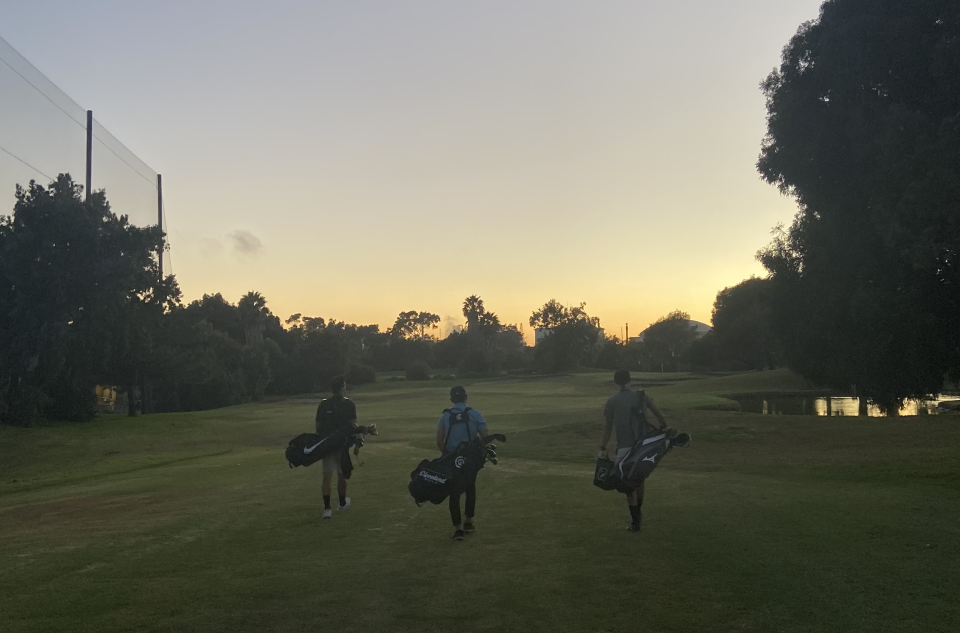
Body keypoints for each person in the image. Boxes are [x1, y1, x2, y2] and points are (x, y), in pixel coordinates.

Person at [599, 369, 668, 532]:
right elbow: (658, 415)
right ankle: (637, 518)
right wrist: (665, 429)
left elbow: (608, 429)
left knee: (627, 485)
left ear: (615, 383)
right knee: (639, 480)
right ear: (630, 381)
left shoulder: (612, 401)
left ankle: (635, 521)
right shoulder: (641, 395)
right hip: (643, 446)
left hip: (624, 448)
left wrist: (602, 447)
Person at [436, 385, 488, 540]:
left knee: (454, 492)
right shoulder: (475, 414)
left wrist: (446, 454)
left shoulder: (445, 416)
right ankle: (468, 521)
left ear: (452, 399)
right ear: (466, 397)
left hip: (452, 458)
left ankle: (458, 528)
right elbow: (485, 437)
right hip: (470, 458)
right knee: (470, 487)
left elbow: (439, 440)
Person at [316, 375, 357, 520]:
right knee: (341, 474)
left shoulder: (323, 404)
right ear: (341, 388)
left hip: (326, 445)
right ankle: (341, 504)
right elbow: (353, 425)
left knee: (326, 476)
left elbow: (318, 427)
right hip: (341, 445)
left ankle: (327, 509)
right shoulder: (348, 404)